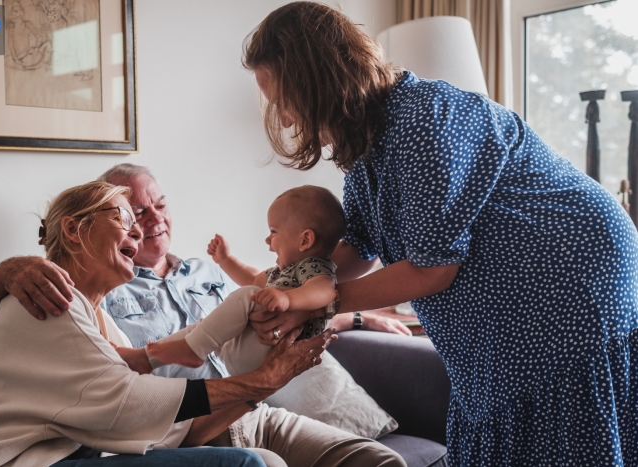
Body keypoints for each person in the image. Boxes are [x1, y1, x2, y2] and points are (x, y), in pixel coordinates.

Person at [241, 2, 638, 466]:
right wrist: (289, 288)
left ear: (315, 79)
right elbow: (358, 247)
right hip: (503, 320)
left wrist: (319, 303)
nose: (285, 120)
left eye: (283, 99)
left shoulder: (422, 123)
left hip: (569, 287)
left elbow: (432, 270)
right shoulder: (367, 148)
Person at [0, 166, 408, 467]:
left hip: (234, 413)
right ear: (74, 230)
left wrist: (353, 322)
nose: (143, 227)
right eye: (128, 215)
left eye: (157, 205)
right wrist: (264, 381)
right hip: (63, 453)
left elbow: (284, 303)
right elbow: (129, 402)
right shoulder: (47, 296)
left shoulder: (121, 307)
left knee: (381, 461)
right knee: (258, 464)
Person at [145, 185, 345, 376]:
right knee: (206, 324)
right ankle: (146, 357)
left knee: (248, 295)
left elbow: (325, 291)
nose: (268, 240)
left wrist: (289, 299)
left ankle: (193, 350)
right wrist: (225, 260)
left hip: (269, 354)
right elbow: (253, 278)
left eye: (273, 232)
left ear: (305, 241)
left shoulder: (315, 266)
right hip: (244, 350)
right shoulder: (284, 273)